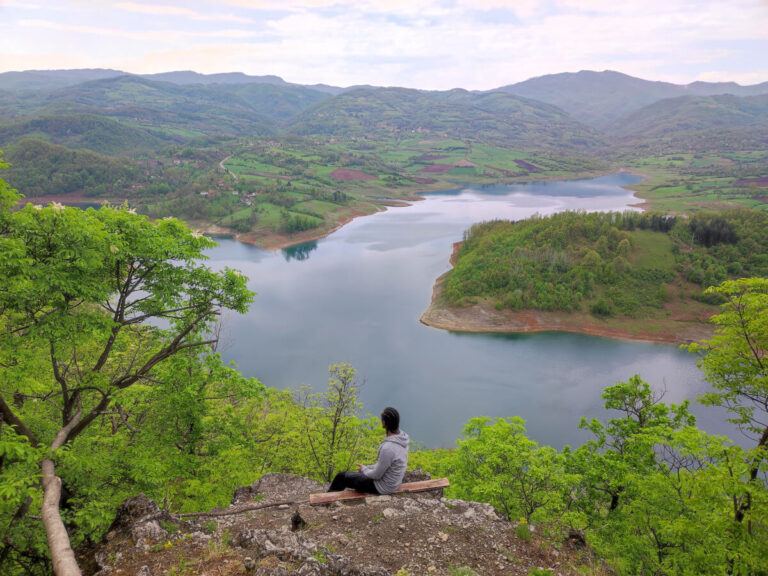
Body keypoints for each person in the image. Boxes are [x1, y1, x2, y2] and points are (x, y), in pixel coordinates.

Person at [328, 406, 409, 495]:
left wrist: (364, 469)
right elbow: (384, 465)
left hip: (381, 487)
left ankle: (327, 501)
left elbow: (376, 475)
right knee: (350, 475)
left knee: (341, 477)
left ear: (384, 423)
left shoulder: (388, 448)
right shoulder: (402, 439)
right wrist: (368, 467)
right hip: (393, 484)